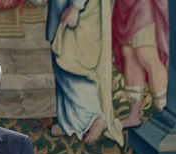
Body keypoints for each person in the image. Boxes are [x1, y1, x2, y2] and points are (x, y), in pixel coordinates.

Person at [46, 0, 124, 145]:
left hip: (83, 9)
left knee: (73, 64)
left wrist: (76, 7)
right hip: (66, 6)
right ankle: (71, 123)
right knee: (62, 62)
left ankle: (94, 117)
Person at [112, 0, 169, 128]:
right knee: (129, 53)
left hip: (144, 5)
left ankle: (164, 112)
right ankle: (134, 115)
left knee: (146, 53)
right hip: (124, 5)